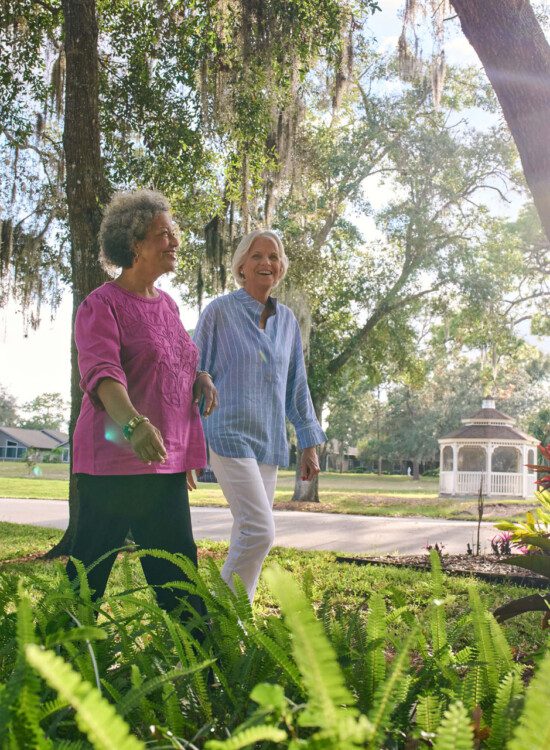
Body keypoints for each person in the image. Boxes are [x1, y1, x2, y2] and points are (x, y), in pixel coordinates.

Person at [66, 189, 217, 620]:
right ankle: (57, 675)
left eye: (174, 233)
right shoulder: (101, 305)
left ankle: (200, 681)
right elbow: (102, 375)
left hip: (163, 465)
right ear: (134, 244)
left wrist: (199, 378)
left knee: (179, 581)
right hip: (112, 466)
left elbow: (172, 365)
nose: (175, 242)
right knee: (87, 582)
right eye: (163, 234)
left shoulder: (168, 306)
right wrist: (134, 425)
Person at [193, 229, 326, 601]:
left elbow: (296, 386)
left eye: (273, 257)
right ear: (240, 267)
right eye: (256, 256)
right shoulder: (219, 312)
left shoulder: (287, 323)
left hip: (268, 440)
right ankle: (218, 621)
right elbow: (190, 370)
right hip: (226, 432)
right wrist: (185, 446)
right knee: (260, 532)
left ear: (281, 268)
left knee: (245, 532)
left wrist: (308, 444)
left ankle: (234, 624)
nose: (266, 263)